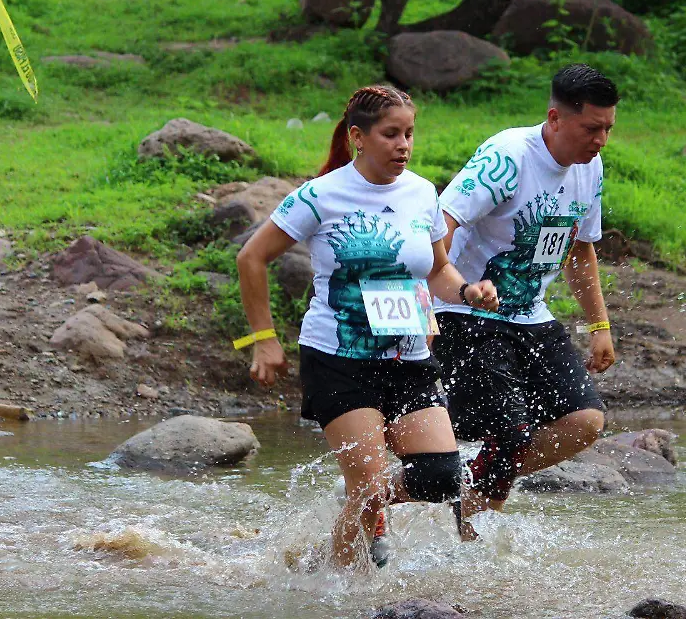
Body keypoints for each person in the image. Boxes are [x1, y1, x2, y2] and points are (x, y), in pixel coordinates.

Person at [236, 85, 499, 569]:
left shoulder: (421, 192)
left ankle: (353, 512)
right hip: (339, 359)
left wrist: (467, 291)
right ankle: (342, 587)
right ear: (358, 137)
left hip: (409, 357)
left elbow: (438, 269)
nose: (404, 145)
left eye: (409, 134)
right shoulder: (321, 195)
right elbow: (251, 257)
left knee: (440, 478)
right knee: (370, 487)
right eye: (390, 134)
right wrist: (264, 339)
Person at [432, 64, 618, 539]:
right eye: (591, 128)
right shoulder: (508, 156)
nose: (600, 140)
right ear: (555, 118)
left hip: (530, 314)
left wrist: (599, 326)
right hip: (466, 310)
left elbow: (580, 249)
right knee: (508, 435)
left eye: (608, 129)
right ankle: (465, 535)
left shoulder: (590, 167)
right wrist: (439, 291)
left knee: (584, 421)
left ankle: (456, 483)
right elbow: (440, 223)